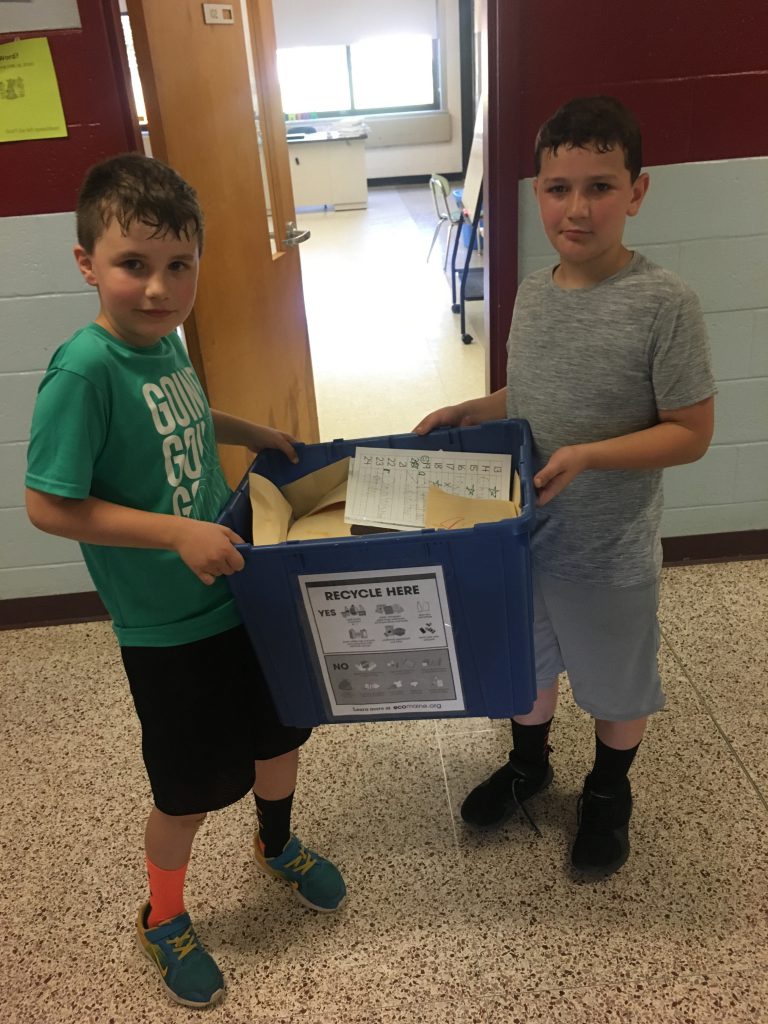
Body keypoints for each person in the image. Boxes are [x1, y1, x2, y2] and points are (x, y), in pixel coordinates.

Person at [25, 154, 346, 1009]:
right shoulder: (83, 371)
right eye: (134, 265)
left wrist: (253, 433)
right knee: (190, 789)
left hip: (241, 589)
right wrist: (174, 533)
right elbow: (47, 506)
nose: (160, 289)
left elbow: (193, 419)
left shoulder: (163, 343)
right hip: (169, 629)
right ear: (87, 262)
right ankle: (162, 916)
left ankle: (276, 846)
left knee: (281, 738)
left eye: (179, 266)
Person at [414, 96, 715, 878]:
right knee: (531, 667)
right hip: (522, 534)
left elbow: (690, 430)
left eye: (600, 187)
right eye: (558, 188)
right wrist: (470, 410)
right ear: (536, 191)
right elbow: (533, 394)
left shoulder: (664, 303)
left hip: (606, 546)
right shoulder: (537, 289)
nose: (576, 209)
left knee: (616, 686)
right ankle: (529, 766)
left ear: (637, 192)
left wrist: (589, 456)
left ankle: (610, 794)